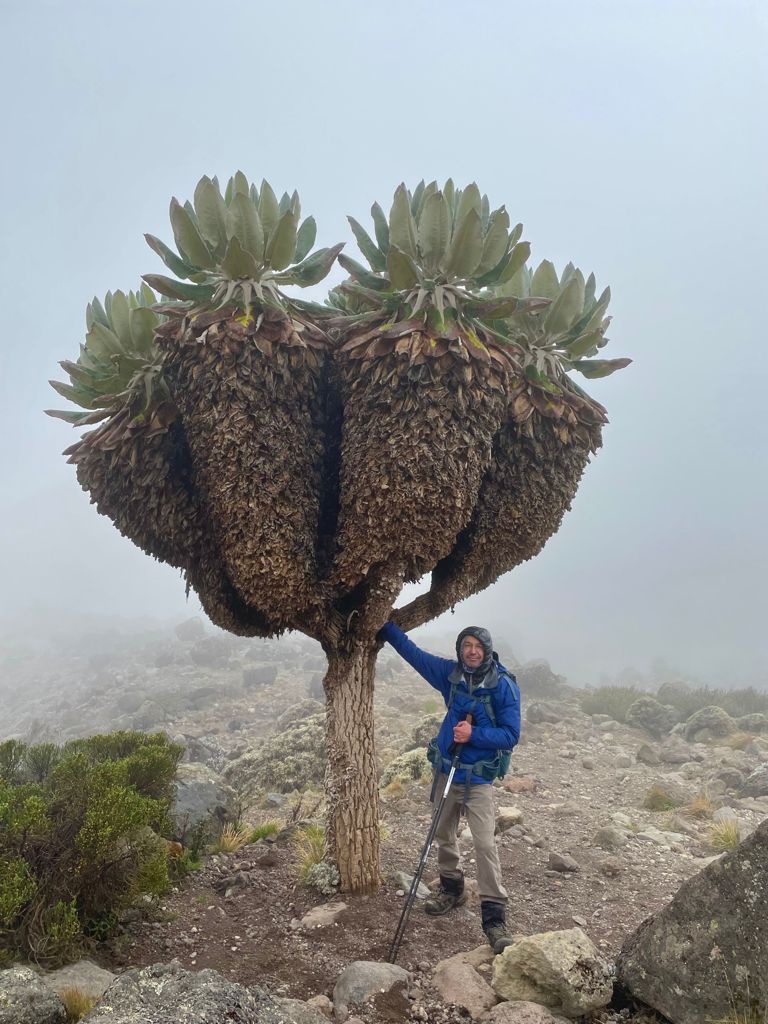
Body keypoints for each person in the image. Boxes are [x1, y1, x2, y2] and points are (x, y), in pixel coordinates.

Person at [379, 621, 520, 952]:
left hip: (479, 778)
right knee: (443, 834)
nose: (471, 651)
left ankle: (494, 916)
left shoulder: (503, 686)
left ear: (486, 650)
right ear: (460, 649)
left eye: (477, 646)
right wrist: (384, 625)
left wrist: (474, 735)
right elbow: (414, 655)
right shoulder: (450, 674)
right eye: (466, 645)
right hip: (447, 771)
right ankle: (452, 889)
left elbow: (511, 735)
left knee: (484, 844)